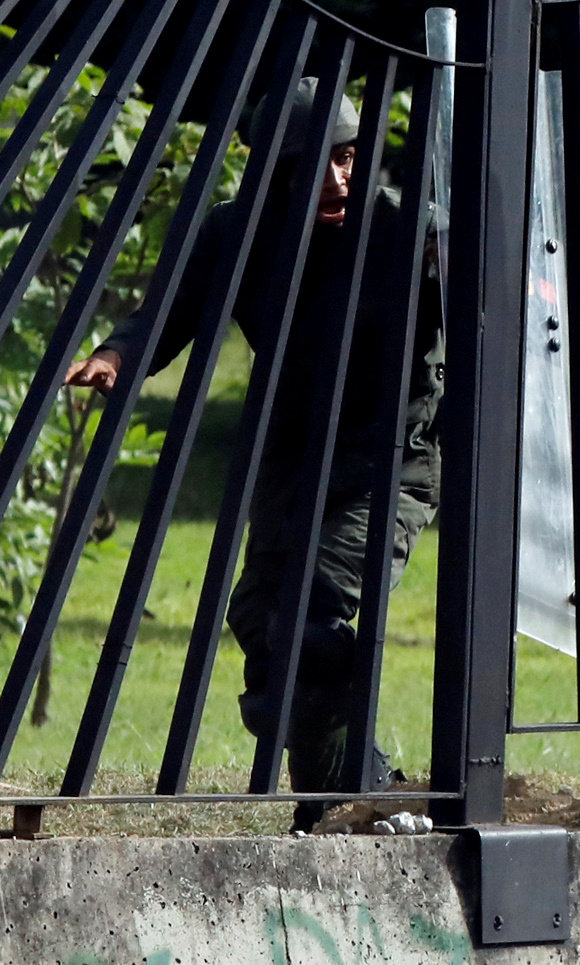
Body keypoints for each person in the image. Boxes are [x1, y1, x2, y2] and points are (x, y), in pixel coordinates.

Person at [65, 80, 443, 827]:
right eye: (315, 164)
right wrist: (117, 353)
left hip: (385, 459)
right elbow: (169, 309)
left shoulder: (408, 233)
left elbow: (479, 308)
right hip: (293, 451)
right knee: (259, 619)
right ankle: (349, 785)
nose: (338, 177)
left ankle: (341, 798)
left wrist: (453, 262)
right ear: (274, 174)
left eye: (347, 157)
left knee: (311, 615)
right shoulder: (236, 233)